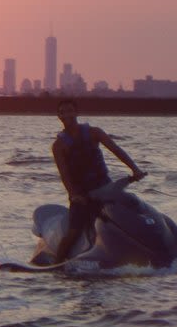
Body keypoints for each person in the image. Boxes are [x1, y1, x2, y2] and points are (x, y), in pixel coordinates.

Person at [52, 99, 147, 263]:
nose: (67, 114)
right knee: (74, 231)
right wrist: (74, 195)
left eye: (70, 110)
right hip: (81, 195)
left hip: (105, 188)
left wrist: (134, 169)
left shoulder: (94, 132)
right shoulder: (59, 145)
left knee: (132, 204)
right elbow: (64, 174)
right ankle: (57, 265)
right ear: (59, 116)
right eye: (63, 112)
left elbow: (116, 150)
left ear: (76, 113)